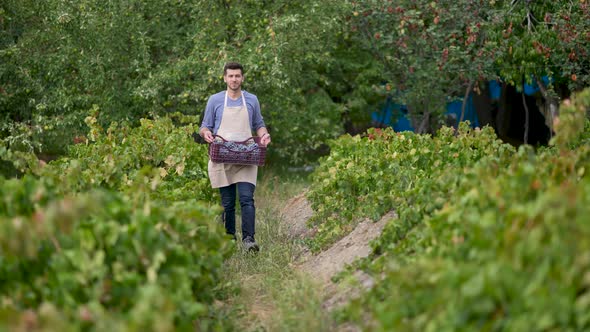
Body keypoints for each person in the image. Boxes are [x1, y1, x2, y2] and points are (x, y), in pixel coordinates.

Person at [199, 62, 271, 252]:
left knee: (247, 199)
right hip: (222, 156)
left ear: (242, 78)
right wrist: (205, 133)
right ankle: (229, 240)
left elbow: (259, 123)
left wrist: (264, 134)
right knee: (227, 203)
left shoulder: (251, 100)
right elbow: (205, 126)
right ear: (224, 78)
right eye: (230, 76)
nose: (234, 79)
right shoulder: (215, 101)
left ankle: (249, 240)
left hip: (247, 157)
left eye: (237, 76)